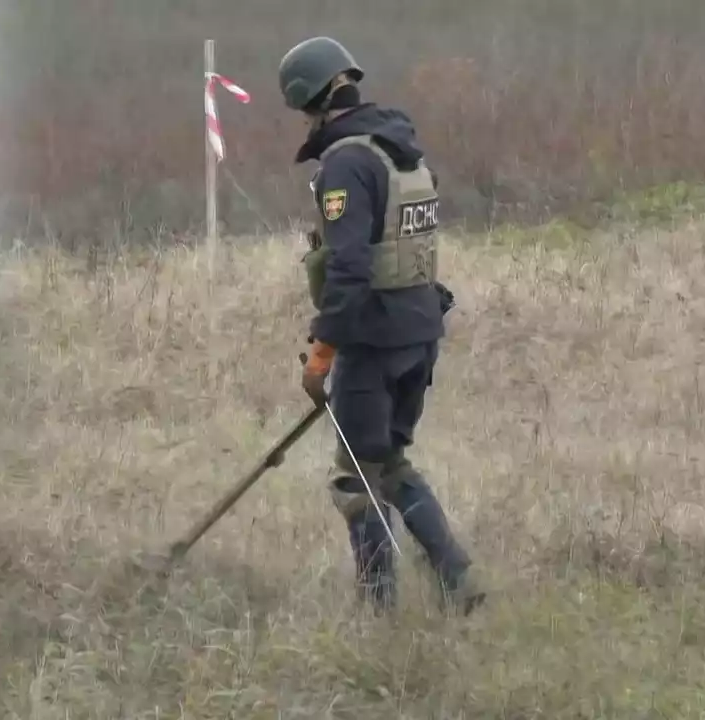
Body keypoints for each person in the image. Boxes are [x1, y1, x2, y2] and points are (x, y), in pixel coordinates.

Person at [278, 36, 485, 615]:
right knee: (388, 461)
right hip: (420, 331)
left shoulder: (347, 162)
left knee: (355, 480)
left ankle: (379, 613)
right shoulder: (405, 153)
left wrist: (323, 353)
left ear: (307, 101)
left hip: (373, 341)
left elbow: (348, 267)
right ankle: (457, 580)